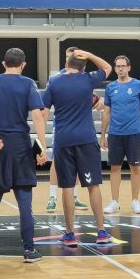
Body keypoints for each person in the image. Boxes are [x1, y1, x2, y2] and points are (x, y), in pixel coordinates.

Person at [0, 48, 50, 264]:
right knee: (24, 199)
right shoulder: (27, 84)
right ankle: (29, 250)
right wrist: (42, 147)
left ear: (4, 64)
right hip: (20, 147)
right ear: (23, 65)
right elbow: (37, 116)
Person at [42, 49, 113, 246]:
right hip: (86, 139)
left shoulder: (54, 82)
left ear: (66, 65)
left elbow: (44, 112)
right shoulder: (88, 79)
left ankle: (70, 233)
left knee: (66, 186)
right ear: (83, 67)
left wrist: (41, 143)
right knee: (93, 185)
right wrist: (89, 54)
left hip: (63, 140)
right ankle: (101, 231)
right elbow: (107, 67)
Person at [100, 55, 140, 216]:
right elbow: (106, 113)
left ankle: (135, 201)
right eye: (118, 66)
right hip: (115, 134)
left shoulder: (138, 85)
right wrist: (103, 135)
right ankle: (114, 202)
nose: (121, 68)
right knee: (114, 168)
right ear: (115, 68)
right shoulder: (110, 88)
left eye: (123, 66)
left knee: (135, 167)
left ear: (129, 68)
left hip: (134, 133)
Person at [46, 46, 89, 214]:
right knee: (56, 161)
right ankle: (52, 197)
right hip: (62, 126)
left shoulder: (83, 77)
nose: (71, 57)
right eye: (68, 55)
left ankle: (75, 196)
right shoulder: (57, 77)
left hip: (78, 126)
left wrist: (96, 100)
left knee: (77, 162)